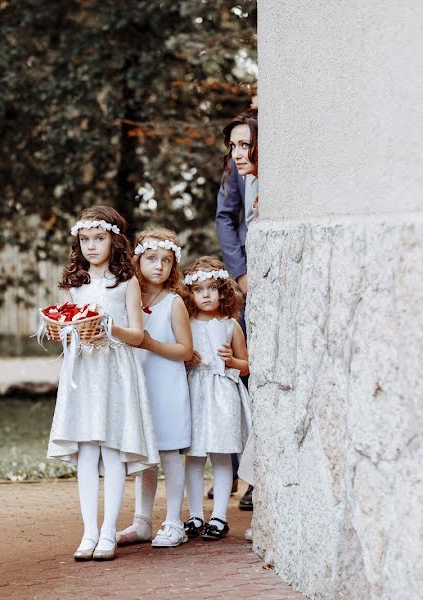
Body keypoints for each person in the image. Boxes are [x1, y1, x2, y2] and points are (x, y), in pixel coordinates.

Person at [47, 205, 160, 562]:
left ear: (114, 240)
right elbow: (68, 328)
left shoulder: (126, 283)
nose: (92, 246)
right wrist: (61, 330)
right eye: (85, 239)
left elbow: (139, 334)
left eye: (99, 238)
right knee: (86, 450)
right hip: (83, 372)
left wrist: (109, 328)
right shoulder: (72, 285)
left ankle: (109, 532)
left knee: (111, 448)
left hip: (114, 369)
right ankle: (89, 532)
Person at [116, 227, 194, 549]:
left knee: (169, 453)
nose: (159, 266)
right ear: (138, 261)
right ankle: (142, 521)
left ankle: (175, 521)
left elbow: (185, 351)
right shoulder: (127, 297)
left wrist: (150, 343)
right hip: (140, 384)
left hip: (168, 385)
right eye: (151, 259)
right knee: (145, 455)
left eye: (166, 260)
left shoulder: (174, 303)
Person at [181, 256, 252, 541]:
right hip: (195, 393)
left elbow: (247, 365)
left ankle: (220, 516)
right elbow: (179, 355)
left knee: (222, 456)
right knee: (195, 457)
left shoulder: (230, 325)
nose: (206, 295)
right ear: (190, 293)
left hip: (222, 394)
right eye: (199, 290)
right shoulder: (185, 323)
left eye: (212, 288)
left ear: (223, 291)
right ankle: (196, 515)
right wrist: (187, 358)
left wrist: (232, 360)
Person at [215, 110, 259, 510]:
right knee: (239, 371)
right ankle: (232, 470)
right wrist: (239, 273)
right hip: (247, 282)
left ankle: (257, 477)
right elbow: (225, 219)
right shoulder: (234, 174)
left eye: (244, 144)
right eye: (233, 146)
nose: (237, 153)